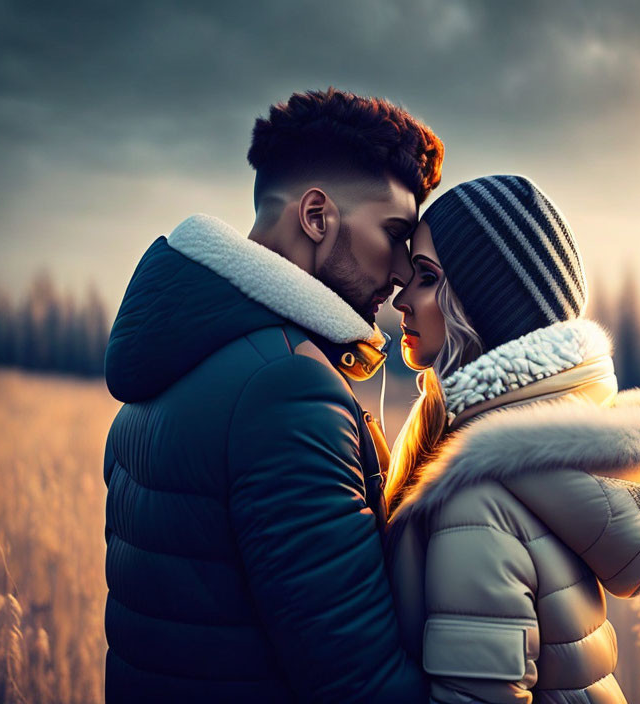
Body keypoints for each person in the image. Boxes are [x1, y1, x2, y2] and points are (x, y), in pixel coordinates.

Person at [102, 88, 443, 703]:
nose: (400, 272)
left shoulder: (168, 361)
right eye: (395, 234)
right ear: (317, 217)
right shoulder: (286, 390)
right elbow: (362, 688)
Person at [385, 174, 640, 704]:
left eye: (425, 276)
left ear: (480, 304)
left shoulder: (472, 500)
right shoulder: (514, 466)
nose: (402, 298)